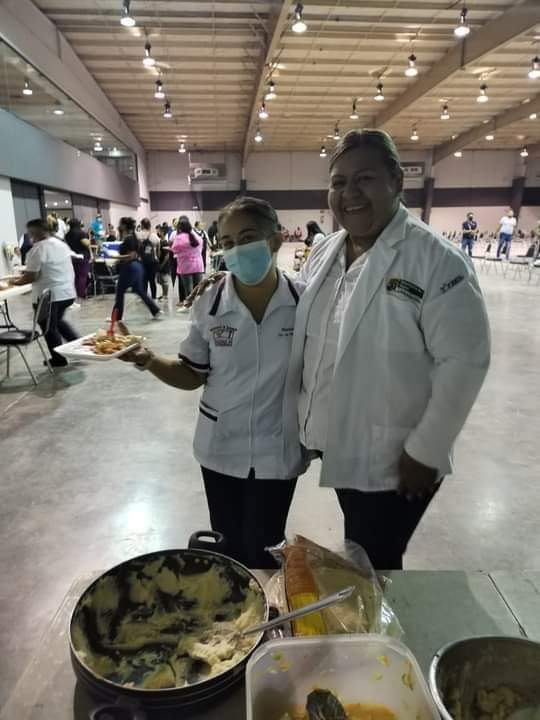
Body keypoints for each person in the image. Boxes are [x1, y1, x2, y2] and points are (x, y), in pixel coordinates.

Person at [287, 129, 491, 570]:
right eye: (339, 182)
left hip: (397, 456)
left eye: (364, 178)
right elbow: (302, 311)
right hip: (341, 441)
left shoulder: (435, 259)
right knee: (362, 549)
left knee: (373, 560)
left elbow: (465, 360)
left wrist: (427, 449)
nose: (349, 193)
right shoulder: (326, 251)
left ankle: (379, 616)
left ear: (396, 181)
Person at [122, 197, 307, 568]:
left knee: (268, 546)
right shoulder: (209, 303)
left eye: (248, 238)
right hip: (221, 447)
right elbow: (192, 374)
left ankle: (266, 603)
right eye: (227, 242)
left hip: (278, 448)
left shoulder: (305, 301)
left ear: (275, 240)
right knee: (227, 546)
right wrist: (149, 360)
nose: (236, 250)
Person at [12, 218, 79, 368]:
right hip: (67, 293)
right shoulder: (61, 244)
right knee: (57, 321)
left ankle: (58, 359)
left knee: (49, 328)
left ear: (33, 232)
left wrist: (13, 283)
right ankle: (77, 346)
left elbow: (31, 276)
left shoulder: (37, 249)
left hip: (50, 296)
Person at [112, 217, 163, 321]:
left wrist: (115, 257)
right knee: (139, 290)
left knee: (120, 291)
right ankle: (155, 310)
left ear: (124, 226)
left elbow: (131, 256)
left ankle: (116, 316)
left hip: (130, 267)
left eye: (120, 224)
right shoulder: (132, 237)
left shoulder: (129, 238)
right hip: (137, 267)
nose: (119, 226)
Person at [171, 217, 204, 311]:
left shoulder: (179, 237)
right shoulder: (196, 235)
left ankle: (189, 306)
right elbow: (201, 247)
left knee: (188, 289)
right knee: (198, 288)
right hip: (198, 265)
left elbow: (174, 249)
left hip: (185, 266)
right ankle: (199, 306)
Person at [65, 219, 91, 300]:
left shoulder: (67, 234)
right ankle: (81, 294)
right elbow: (86, 243)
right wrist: (89, 237)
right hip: (82, 257)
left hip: (73, 257)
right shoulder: (81, 233)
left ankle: (76, 293)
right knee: (82, 276)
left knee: (76, 276)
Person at [138, 218, 160, 300]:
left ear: (142, 225)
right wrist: (157, 256)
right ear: (149, 225)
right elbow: (158, 245)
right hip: (152, 261)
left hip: (142, 261)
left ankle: (144, 297)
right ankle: (153, 297)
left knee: (143, 280)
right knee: (152, 280)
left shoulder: (138, 235)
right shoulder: (154, 235)